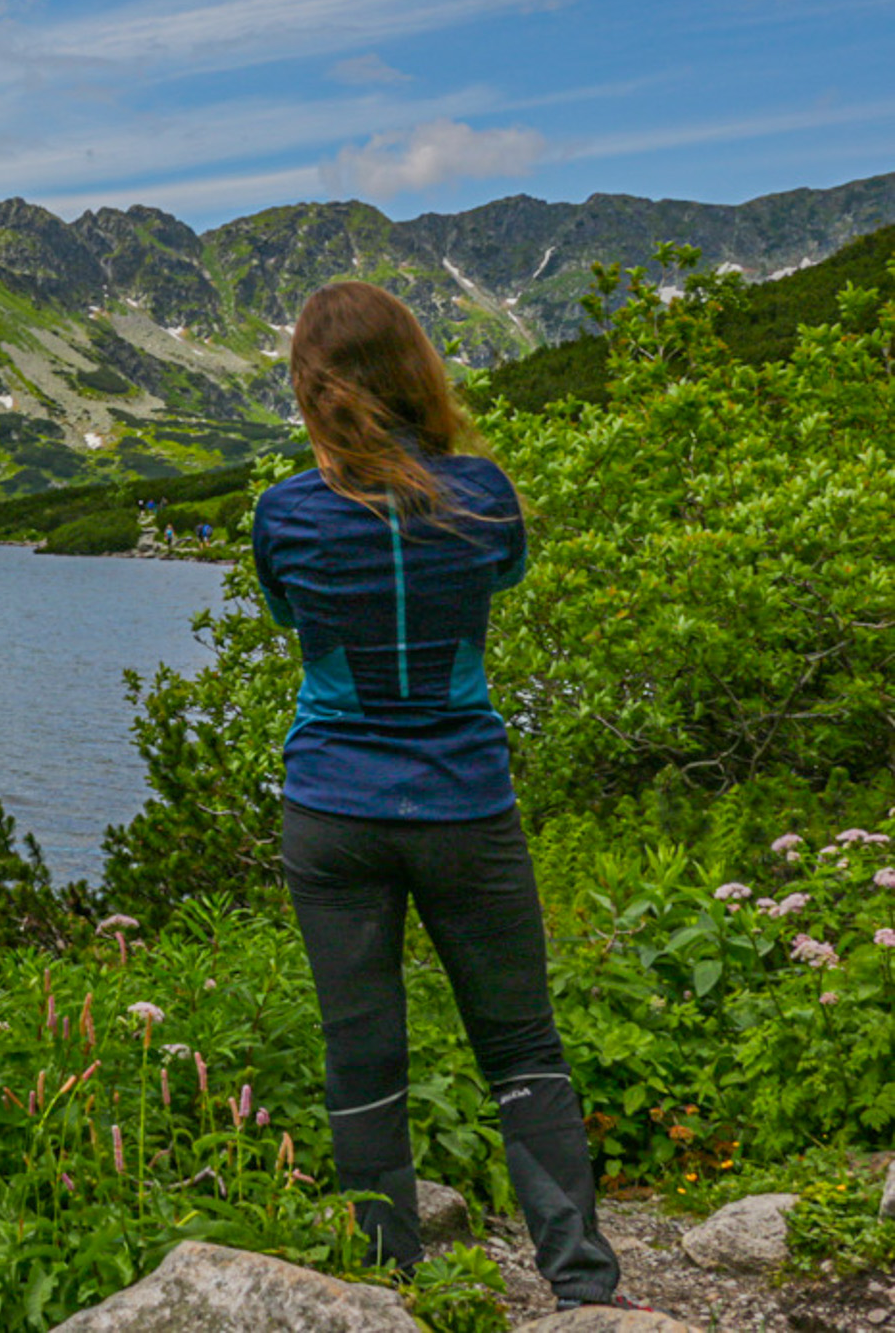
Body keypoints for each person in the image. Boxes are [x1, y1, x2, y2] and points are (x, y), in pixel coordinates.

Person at [250, 282, 633, 1312]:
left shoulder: (283, 511)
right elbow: (497, 579)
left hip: (331, 808)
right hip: (464, 801)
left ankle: (390, 1292)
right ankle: (582, 1287)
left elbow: (290, 606)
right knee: (519, 1044)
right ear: (419, 371)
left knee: (361, 1048)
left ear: (309, 388)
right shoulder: (485, 495)